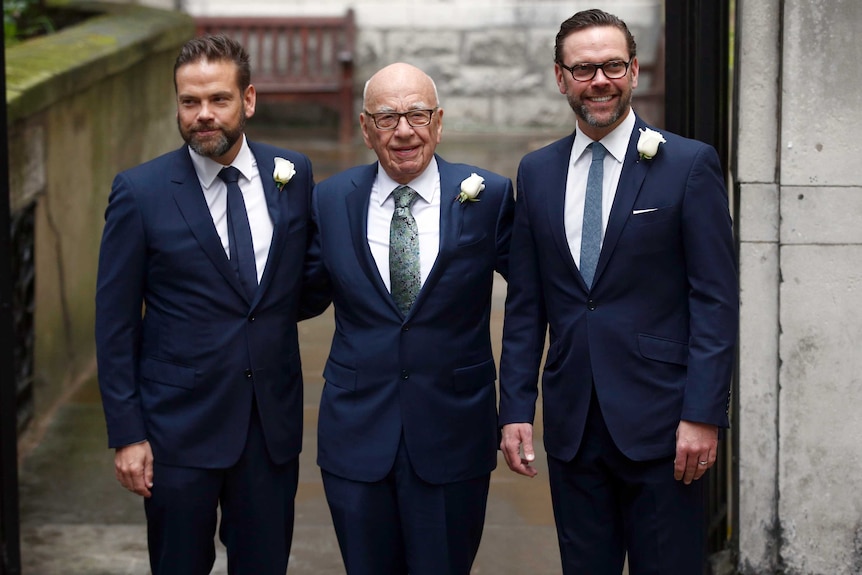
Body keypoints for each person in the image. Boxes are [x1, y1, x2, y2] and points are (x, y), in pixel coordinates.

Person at [498, 9, 738, 575]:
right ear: (561, 78)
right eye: (583, 69)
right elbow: (527, 305)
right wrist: (514, 408)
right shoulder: (536, 172)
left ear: (633, 71)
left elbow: (715, 299)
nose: (598, 81)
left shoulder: (687, 164)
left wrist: (703, 413)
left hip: (665, 425)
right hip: (574, 423)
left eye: (611, 66)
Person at [95, 34, 321, 574]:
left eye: (218, 100)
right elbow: (115, 324)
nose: (203, 115)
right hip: (177, 432)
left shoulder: (292, 174)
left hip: (269, 429)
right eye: (189, 102)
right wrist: (128, 434)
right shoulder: (140, 192)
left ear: (248, 100)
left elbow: (307, 281)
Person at [303, 62, 515, 575]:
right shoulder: (329, 200)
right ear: (365, 127)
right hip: (356, 433)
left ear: (438, 122)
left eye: (417, 115)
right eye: (387, 117)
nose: (403, 131)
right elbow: (297, 296)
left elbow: (535, 300)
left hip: (453, 432)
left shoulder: (488, 196)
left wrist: (519, 406)